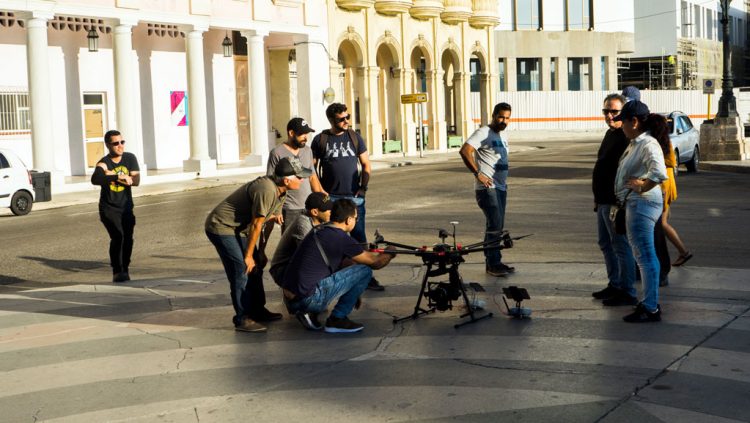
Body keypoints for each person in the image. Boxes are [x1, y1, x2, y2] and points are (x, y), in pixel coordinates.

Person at [205, 157, 311, 333]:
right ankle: (242, 318)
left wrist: (260, 251)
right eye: (299, 177)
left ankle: (257, 310)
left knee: (256, 267)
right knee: (241, 269)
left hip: (241, 230)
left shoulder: (281, 192)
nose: (302, 180)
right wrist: (248, 256)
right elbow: (256, 224)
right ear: (286, 180)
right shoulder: (267, 190)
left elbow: (268, 221)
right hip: (221, 226)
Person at [281, 199, 396, 333]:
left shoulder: (319, 230)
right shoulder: (340, 238)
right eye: (355, 218)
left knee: (354, 269)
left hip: (291, 300)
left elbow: (346, 265)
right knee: (365, 271)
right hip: (308, 298)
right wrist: (390, 252)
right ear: (348, 220)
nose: (355, 221)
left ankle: (308, 312)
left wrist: (353, 290)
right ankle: (337, 319)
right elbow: (375, 263)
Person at [311, 103, 384, 292]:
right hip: (331, 199)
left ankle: (367, 276)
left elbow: (366, 164)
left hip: (354, 197)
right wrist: (320, 191)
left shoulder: (354, 137)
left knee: (359, 238)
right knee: (332, 239)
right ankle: (333, 276)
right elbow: (312, 168)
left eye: (347, 117)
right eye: (341, 119)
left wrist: (363, 188)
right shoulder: (321, 139)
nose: (346, 121)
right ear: (331, 120)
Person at [613, 101, 669, 323]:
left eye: (623, 122)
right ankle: (649, 302)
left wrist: (642, 186)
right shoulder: (637, 142)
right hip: (637, 203)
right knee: (644, 255)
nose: (621, 126)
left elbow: (659, 172)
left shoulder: (647, 144)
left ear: (634, 122)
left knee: (645, 256)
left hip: (642, 203)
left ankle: (650, 306)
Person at [459, 102, 515, 277]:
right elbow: (465, 151)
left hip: (500, 188)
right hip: (487, 188)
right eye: (501, 117)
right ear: (493, 115)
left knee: (497, 225)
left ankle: (495, 261)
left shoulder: (503, 135)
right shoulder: (483, 132)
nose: (504, 121)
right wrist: (478, 173)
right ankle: (492, 264)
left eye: (507, 118)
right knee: (494, 224)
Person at [591, 94, 637, 305]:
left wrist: (620, 201)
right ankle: (615, 284)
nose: (609, 115)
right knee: (605, 244)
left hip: (614, 201)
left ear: (624, 113)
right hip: (602, 200)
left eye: (614, 112)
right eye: (606, 111)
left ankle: (627, 290)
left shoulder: (625, 137)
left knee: (620, 245)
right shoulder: (610, 134)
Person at [91, 130, 140, 283]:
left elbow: (135, 181)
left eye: (121, 142)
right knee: (118, 236)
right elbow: (95, 178)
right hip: (109, 208)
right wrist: (119, 176)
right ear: (108, 145)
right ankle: (117, 270)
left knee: (128, 238)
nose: (120, 146)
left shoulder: (130, 158)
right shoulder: (104, 162)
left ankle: (125, 267)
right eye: (115, 143)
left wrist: (112, 176)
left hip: (126, 207)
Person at [266, 117, 324, 233]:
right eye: (302, 134)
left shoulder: (308, 151)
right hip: (289, 208)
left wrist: (322, 196)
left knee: (310, 241)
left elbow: (312, 176)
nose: (305, 138)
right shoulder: (277, 153)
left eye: (306, 134)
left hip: (309, 207)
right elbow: (271, 182)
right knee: (290, 244)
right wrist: (276, 210)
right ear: (291, 133)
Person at [269, 192, 333, 288]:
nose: (331, 212)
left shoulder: (320, 220)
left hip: (295, 265)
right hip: (282, 271)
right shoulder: (303, 224)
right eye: (328, 210)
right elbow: (310, 256)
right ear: (315, 212)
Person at [661, 141, 692, 267]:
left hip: (663, 186)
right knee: (661, 224)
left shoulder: (663, 141)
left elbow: (672, 162)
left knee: (661, 224)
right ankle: (683, 252)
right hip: (662, 186)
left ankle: (683, 252)